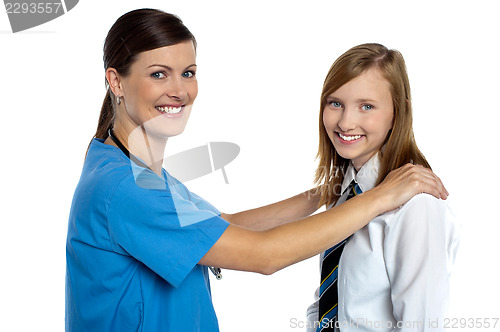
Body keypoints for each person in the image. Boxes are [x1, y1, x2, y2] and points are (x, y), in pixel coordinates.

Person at [65, 9, 448, 332]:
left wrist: (323, 194)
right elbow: (263, 255)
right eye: (158, 74)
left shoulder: (130, 167)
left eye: (188, 72)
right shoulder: (125, 189)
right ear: (116, 80)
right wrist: (378, 198)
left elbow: (226, 225)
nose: (180, 90)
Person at [305, 43, 460, 332]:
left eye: (367, 106)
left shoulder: (417, 207)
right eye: (335, 103)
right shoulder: (346, 192)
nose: (345, 122)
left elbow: (420, 326)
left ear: (397, 112)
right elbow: (330, 299)